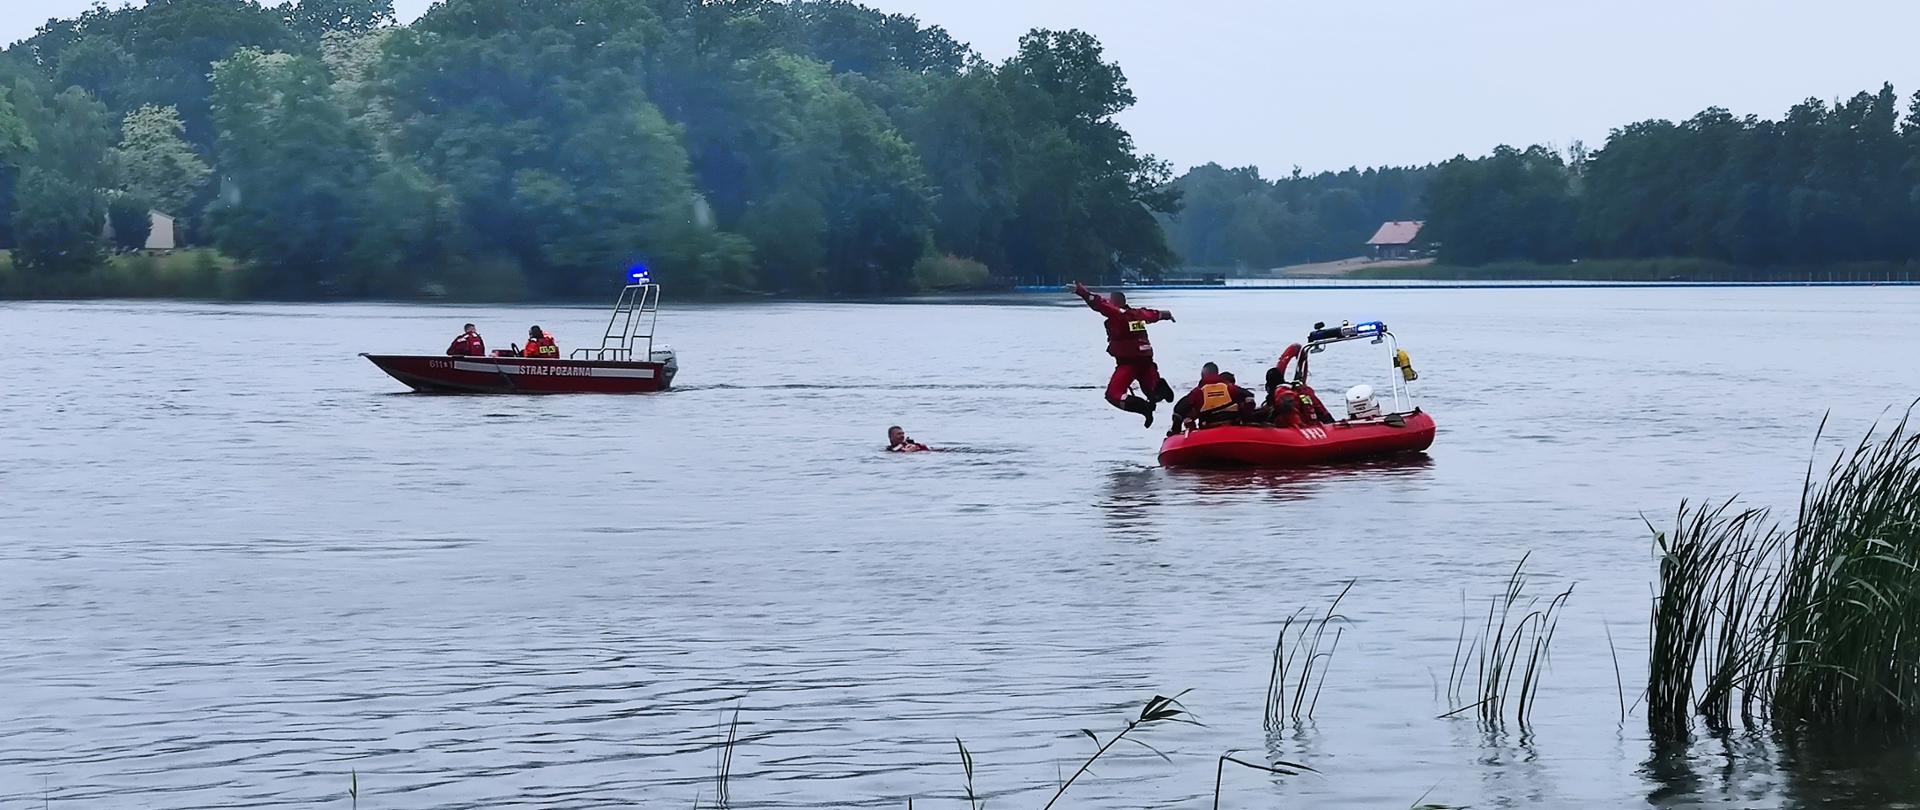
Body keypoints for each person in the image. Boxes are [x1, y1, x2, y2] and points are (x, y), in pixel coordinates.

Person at [1067, 281, 1177, 427]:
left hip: (1129, 363)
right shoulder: (1138, 314)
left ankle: (1146, 407)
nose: (1108, 302)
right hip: (1146, 362)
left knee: (1113, 395)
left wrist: (1080, 291)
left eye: (1110, 300)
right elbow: (1154, 314)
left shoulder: (1117, 314)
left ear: (1115, 303)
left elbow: (1098, 303)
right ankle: (1159, 390)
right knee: (1151, 393)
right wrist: (1167, 315)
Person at [1170, 362, 1254, 433]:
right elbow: (1249, 396)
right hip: (1233, 426)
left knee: (1188, 415)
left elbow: (1179, 409)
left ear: (1203, 375)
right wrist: (1246, 419)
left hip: (1207, 428)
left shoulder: (1198, 392)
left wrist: (1175, 430)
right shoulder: (1230, 388)